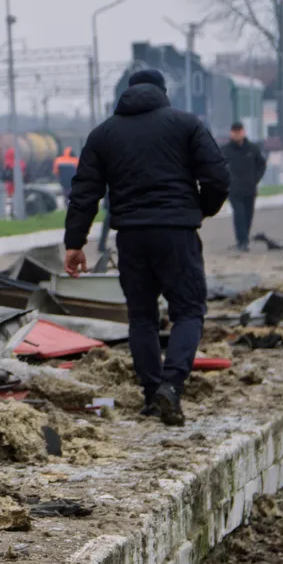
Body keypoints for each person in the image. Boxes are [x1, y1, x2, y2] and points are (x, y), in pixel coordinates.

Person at [62, 68, 230, 426]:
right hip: (176, 233)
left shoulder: (103, 134)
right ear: (163, 91)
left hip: (131, 236)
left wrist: (75, 243)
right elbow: (217, 177)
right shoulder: (187, 125)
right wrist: (198, 210)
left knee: (141, 316)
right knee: (187, 311)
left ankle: (153, 395)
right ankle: (171, 386)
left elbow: (84, 192)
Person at [222, 121, 267, 252]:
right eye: (234, 131)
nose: (237, 134)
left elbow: (262, 165)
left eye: (239, 131)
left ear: (243, 132)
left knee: (248, 216)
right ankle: (242, 242)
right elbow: (217, 166)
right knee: (239, 215)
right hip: (234, 190)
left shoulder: (252, 149)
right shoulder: (225, 150)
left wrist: (255, 179)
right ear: (231, 133)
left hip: (250, 189)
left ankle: (244, 239)